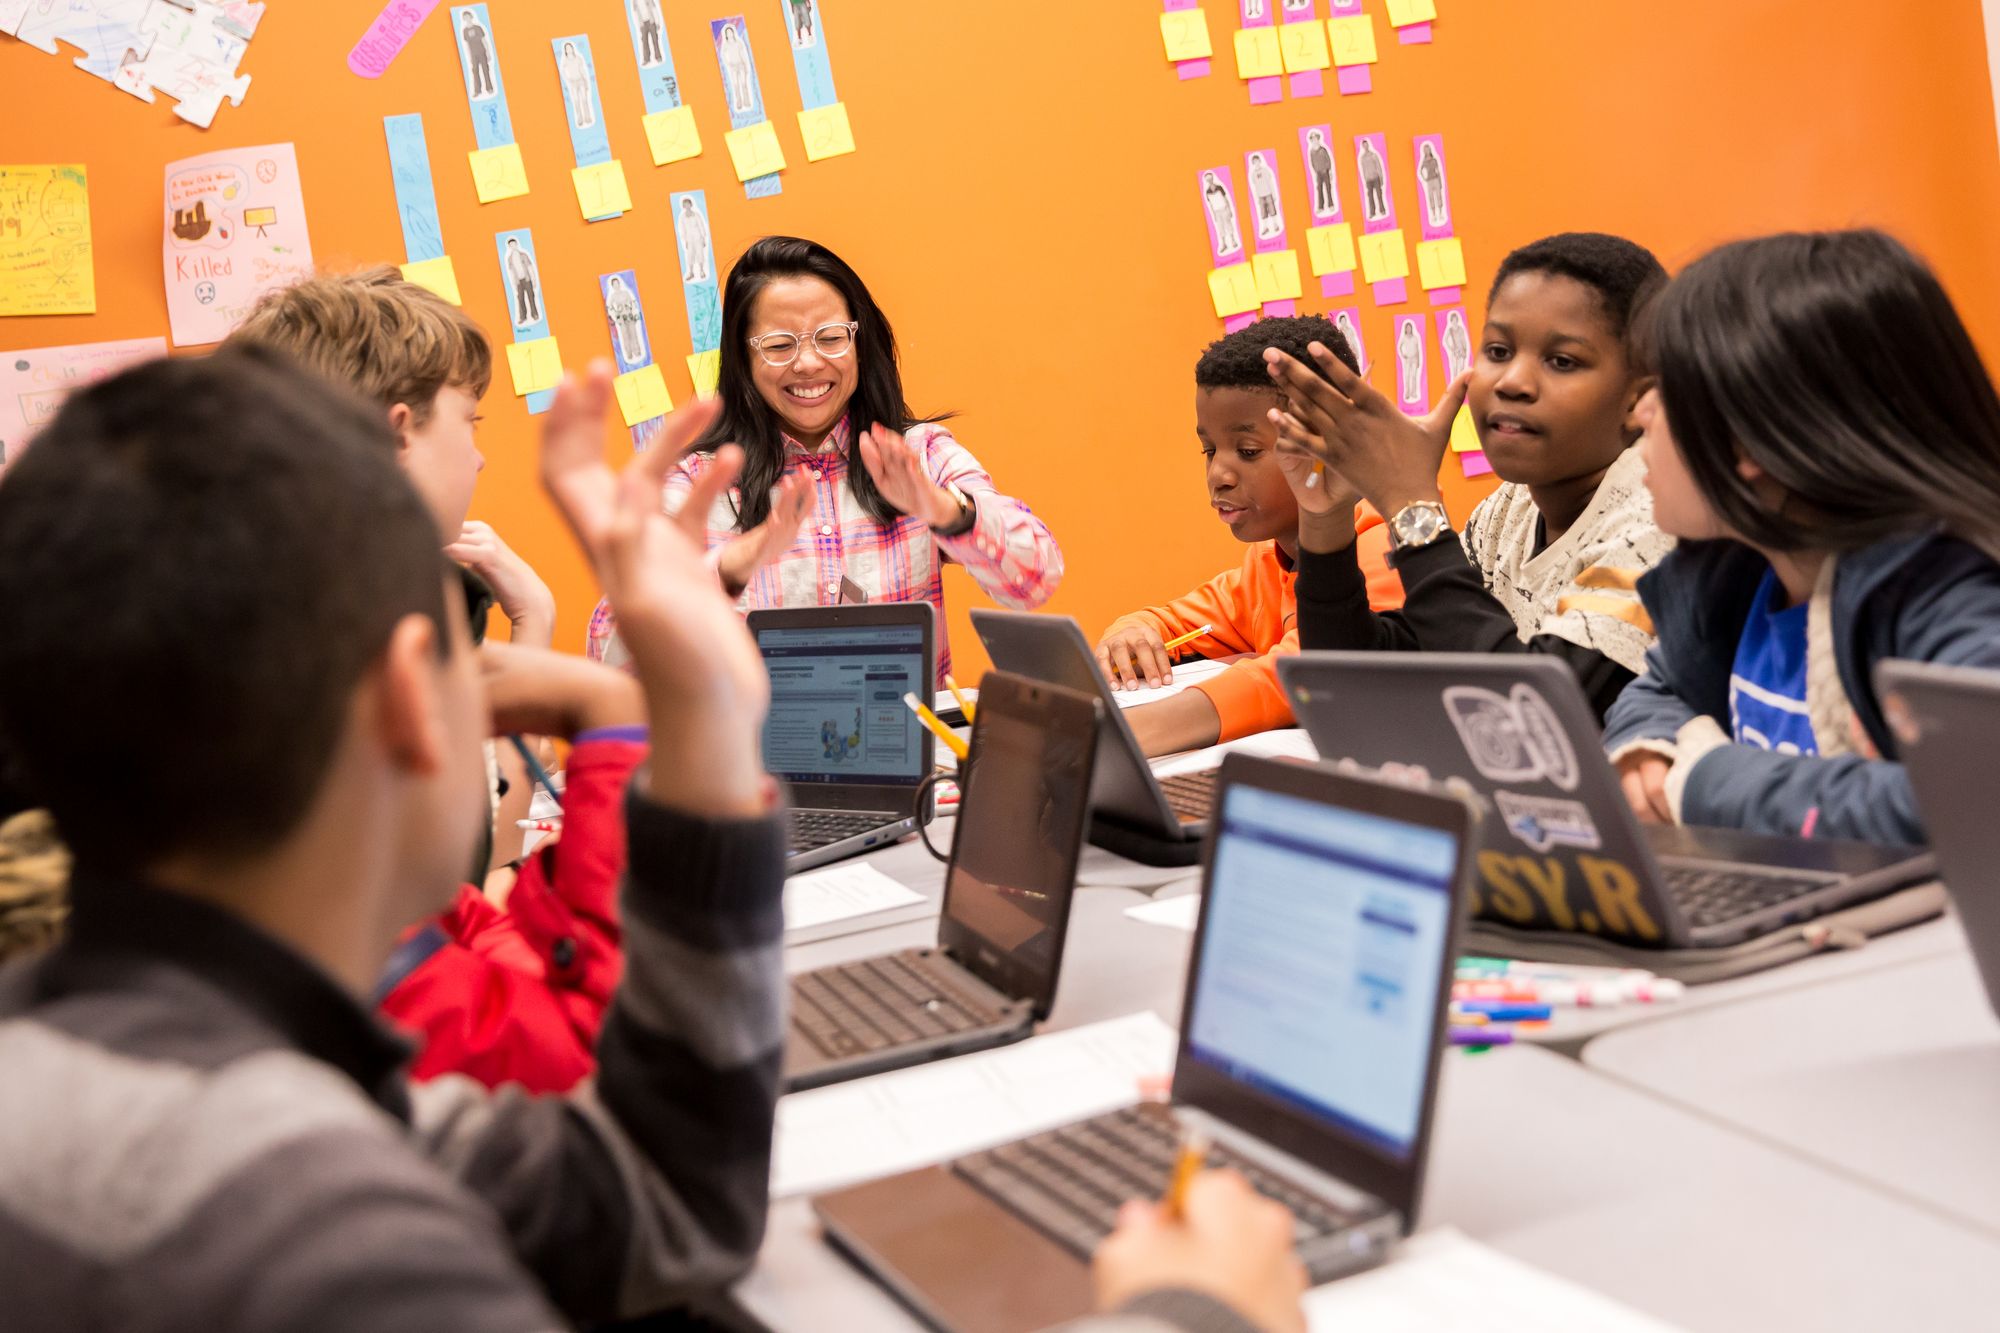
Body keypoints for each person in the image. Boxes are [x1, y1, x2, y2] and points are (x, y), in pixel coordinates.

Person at [0, 347, 789, 1328]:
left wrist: (699, 728)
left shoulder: (70, 1032)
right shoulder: (337, 1243)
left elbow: (656, 1210)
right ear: (411, 695)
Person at [1605, 229, 2000, 845]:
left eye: (1665, 392)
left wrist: (1712, 783)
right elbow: (1656, 690)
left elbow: (1967, 802)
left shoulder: (1945, 593)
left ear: (1747, 442)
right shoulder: (1733, 574)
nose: (1639, 417)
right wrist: (1648, 750)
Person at [587, 236, 1063, 683]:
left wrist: (944, 511)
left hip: (911, 763)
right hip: (754, 767)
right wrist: (730, 568)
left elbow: (1037, 580)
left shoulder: (920, 455)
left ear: (860, 342)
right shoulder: (698, 484)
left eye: (831, 338)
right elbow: (611, 650)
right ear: (743, 360)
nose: (809, 363)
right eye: (778, 346)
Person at [1269, 233, 1673, 722]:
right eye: (1499, 351)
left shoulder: (1662, 521)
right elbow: (1356, 684)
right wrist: (1327, 519)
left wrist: (1412, 507)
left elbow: (1535, 716)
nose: (1512, 381)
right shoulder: (1507, 510)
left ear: (1638, 398)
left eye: (1562, 361)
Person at [1097, 316, 1401, 758]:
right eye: (1209, 450)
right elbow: (1176, 620)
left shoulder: (1386, 547)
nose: (1217, 475)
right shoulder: (1268, 562)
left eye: (1248, 452)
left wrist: (1136, 731)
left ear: (1327, 443)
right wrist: (1132, 631)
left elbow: (1303, 671)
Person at [606, 273, 647, 364]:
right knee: (625, 336)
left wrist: (633, 313)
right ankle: (629, 354)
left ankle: (637, 352)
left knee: (633, 334)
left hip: (630, 316)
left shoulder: (626, 293)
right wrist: (616, 316)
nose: (616, 285)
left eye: (617, 283)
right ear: (612, 286)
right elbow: (610, 307)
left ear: (620, 284)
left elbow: (632, 304)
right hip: (621, 318)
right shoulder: (613, 296)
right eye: (614, 284)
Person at [1204, 170, 1242, 256]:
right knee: (1220, 228)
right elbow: (1211, 204)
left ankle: (1233, 241)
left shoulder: (1219, 187)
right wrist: (1214, 215)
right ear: (1206, 181)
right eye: (1207, 179)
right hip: (1217, 212)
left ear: (1212, 178)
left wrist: (1229, 209)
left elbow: (1226, 199)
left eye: (1210, 178)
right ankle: (1224, 244)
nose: (1209, 180)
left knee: (1228, 225)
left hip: (1224, 209)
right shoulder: (1207, 192)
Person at [504, 236, 540, 327]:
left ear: (517, 245)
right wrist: (514, 284)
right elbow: (511, 272)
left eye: (514, 244)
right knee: (520, 299)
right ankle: (523, 317)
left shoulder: (523, 255)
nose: (513, 246)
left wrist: (534, 279)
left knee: (531, 297)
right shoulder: (509, 259)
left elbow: (530, 267)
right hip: (518, 282)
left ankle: (534, 314)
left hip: (527, 279)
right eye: (511, 245)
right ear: (509, 247)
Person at [559, 41, 595, 130]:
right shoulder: (565, 60)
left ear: (572, 48)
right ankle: (580, 119)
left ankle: (588, 118)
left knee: (584, 100)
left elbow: (583, 70)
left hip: (581, 81)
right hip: (573, 83)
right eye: (567, 48)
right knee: (576, 101)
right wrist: (567, 79)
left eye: (570, 47)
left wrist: (586, 81)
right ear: (565, 51)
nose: (569, 49)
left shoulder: (578, 58)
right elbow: (562, 71)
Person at [719, 22, 754, 113]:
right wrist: (728, 63)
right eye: (728, 33)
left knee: (743, 84)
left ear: (733, 33)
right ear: (726, 34)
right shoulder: (725, 44)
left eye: (731, 32)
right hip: (733, 67)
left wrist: (746, 65)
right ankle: (739, 103)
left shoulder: (739, 42)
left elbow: (744, 54)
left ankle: (747, 102)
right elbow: (722, 54)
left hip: (741, 65)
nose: (730, 34)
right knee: (735, 85)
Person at [678, 195, 713, 281]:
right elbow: (682, 229)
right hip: (689, 239)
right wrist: (685, 240)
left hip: (698, 237)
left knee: (700, 254)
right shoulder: (682, 217)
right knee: (690, 255)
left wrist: (704, 238)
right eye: (685, 204)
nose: (687, 206)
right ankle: (691, 272)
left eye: (688, 204)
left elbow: (701, 226)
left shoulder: (696, 215)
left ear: (691, 204)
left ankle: (701, 271)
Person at [1248, 151, 1282, 239]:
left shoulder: (1265, 170)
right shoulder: (1253, 174)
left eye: (1257, 161)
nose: (1256, 163)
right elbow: (1254, 187)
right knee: (1263, 213)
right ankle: (1265, 227)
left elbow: (1270, 182)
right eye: (1254, 162)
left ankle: (1275, 225)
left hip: (1268, 193)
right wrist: (1257, 197)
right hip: (1260, 196)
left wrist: (1274, 193)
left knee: (1272, 210)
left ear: (1260, 161)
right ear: (1253, 163)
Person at [461, 14, 493, 98]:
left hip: (482, 52)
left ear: (471, 17)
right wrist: (469, 56)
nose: (467, 19)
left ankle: (489, 88)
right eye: (465, 17)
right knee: (475, 72)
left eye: (468, 17)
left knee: (485, 70)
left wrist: (488, 52)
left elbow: (484, 40)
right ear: (464, 19)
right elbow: (467, 45)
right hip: (473, 54)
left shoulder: (478, 28)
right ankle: (477, 91)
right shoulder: (464, 31)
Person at [1418, 141, 1448, 227]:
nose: (1427, 151)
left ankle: (1441, 213)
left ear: (1430, 150)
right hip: (1429, 181)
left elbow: (1438, 172)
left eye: (1428, 149)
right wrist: (1425, 178)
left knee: (1438, 196)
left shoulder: (1434, 160)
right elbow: (1420, 171)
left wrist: (1440, 182)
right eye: (1425, 150)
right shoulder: (1424, 161)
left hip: (1435, 180)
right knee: (1431, 197)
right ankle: (1434, 215)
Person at [1307, 129, 1336, 215]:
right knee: (1319, 189)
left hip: (1325, 172)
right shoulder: (1311, 152)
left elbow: (1328, 160)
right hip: (1318, 173)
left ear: (1318, 139)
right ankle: (1320, 207)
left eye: (1315, 138)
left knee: (1328, 188)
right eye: (1312, 139)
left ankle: (1331, 205)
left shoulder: (1323, 150)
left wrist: (1330, 171)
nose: (1314, 140)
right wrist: (1316, 171)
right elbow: (1312, 162)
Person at [1358, 138, 1387, 219]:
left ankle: (1382, 210)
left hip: (1376, 178)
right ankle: (1372, 213)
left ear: (1368, 145)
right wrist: (1365, 179)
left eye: (1366, 145)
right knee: (1370, 197)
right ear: (1362, 147)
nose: (1365, 146)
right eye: (1364, 145)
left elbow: (1379, 167)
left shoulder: (1374, 155)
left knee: (1379, 195)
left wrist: (1381, 178)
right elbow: (1363, 169)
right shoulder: (1362, 158)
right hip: (1368, 180)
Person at [632, 0, 665, 66]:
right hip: (642, 24)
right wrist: (639, 26)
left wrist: (657, 22)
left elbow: (654, 9)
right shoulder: (634, 1)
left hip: (651, 21)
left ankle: (658, 57)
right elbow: (635, 14)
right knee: (644, 42)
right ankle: (646, 59)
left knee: (655, 40)